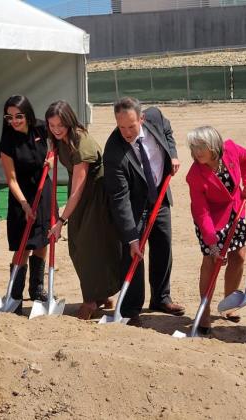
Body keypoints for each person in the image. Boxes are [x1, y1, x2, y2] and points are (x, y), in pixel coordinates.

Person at [103, 96, 185, 326]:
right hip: (134, 204)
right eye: (121, 127)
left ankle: (161, 298)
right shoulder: (113, 152)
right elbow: (119, 199)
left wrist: (173, 154)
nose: (127, 132)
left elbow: (168, 132)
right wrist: (131, 238)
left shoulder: (156, 117)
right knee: (133, 255)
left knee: (163, 245)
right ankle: (130, 309)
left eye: (131, 126)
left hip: (159, 196)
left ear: (142, 118)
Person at [46, 100, 122, 320]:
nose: (56, 129)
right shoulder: (60, 138)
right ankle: (101, 295)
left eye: (60, 124)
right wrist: (50, 157)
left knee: (87, 248)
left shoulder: (82, 143)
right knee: (79, 245)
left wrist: (61, 220)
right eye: (52, 125)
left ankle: (91, 300)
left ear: (69, 121)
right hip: (82, 193)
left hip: (96, 196)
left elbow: (78, 189)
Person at [185, 126, 246, 335]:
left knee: (239, 256)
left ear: (214, 146)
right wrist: (212, 244)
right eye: (194, 147)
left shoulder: (230, 149)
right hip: (210, 219)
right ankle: (204, 311)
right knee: (211, 261)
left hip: (234, 208)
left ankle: (229, 303)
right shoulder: (195, 175)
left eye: (201, 147)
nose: (197, 152)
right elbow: (201, 211)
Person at [0, 95, 51, 314]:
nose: (15, 120)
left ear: (27, 113)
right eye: (9, 117)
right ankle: (15, 293)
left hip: (43, 191)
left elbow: (56, 146)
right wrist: (25, 204)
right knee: (23, 245)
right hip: (21, 196)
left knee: (42, 240)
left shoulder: (41, 128)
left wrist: (52, 159)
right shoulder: (7, 143)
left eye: (19, 116)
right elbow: (11, 180)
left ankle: (37, 287)